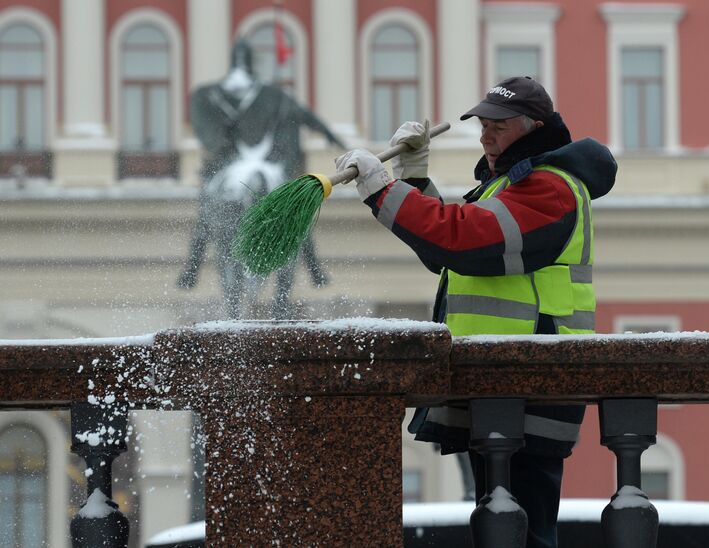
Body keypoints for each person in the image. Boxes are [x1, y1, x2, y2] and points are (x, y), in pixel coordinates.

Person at [335, 76, 617, 548]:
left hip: (529, 386)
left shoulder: (549, 187)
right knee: (501, 528)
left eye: (498, 127)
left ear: (533, 128)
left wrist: (383, 191)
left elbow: (462, 239)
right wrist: (414, 177)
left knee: (521, 533)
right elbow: (447, 249)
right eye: (483, 126)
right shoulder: (510, 185)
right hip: (502, 387)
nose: (486, 137)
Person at [178, 39, 343, 319]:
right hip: (244, 166)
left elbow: (304, 117)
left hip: (249, 166)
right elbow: (306, 118)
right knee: (293, 209)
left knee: (214, 207)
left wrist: (331, 136)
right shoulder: (232, 94)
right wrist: (333, 137)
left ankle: (192, 268)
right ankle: (314, 268)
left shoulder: (259, 94)